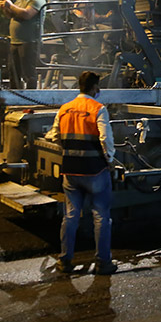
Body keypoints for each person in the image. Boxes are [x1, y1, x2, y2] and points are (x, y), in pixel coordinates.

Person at [45, 71, 118, 274]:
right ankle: (103, 262)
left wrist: (68, 152)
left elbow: (55, 136)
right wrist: (110, 160)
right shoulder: (98, 109)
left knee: (70, 216)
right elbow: (106, 139)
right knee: (101, 217)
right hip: (95, 172)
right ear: (95, 88)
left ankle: (65, 260)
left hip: (70, 172)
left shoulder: (64, 109)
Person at [0, 0, 46, 89]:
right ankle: (15, 95)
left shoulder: (37, 0)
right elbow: (12, 14)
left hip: (29, 41)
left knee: (28, 72)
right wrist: (5, 8)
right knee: (13, 72)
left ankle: (30, 96)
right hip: (15, 41)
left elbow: (26, 14)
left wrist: (10, 5)